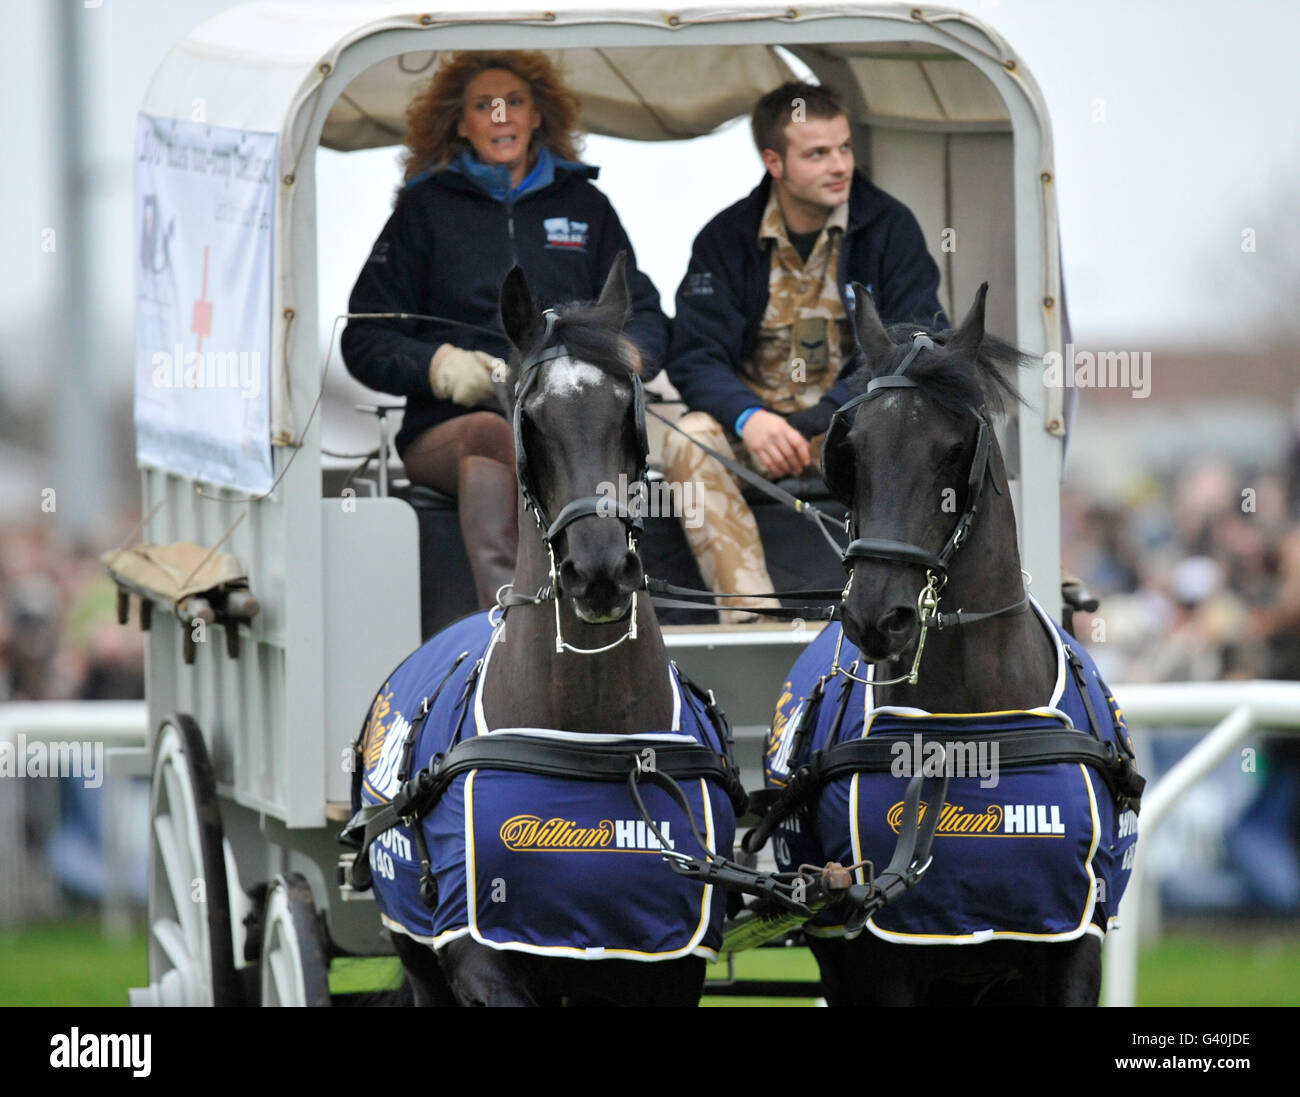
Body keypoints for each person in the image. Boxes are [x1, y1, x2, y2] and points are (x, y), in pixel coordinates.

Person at [341, 51, 668, 608]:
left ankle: (621, 602)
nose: (501, 117)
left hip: (573, 421)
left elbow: (647, 315)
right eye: (483, 106)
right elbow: (365, 339)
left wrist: (622, 356)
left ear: (538, 115)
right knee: (498, 436)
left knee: (604, 452)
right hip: (453, 431)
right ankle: (511, 610)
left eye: (514, 103)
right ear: (459, 122)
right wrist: (444, 370)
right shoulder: (424, 211)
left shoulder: (587, 206)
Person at [663, 82, 947, 622]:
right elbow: (694, 355)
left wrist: (826, 415)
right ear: (775, 162)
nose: (839, 165)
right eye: (817, 153)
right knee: (689, 438)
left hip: (860, 427)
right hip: (757, 438)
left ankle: (900, 614)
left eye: (843, 148)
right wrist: (750, 419)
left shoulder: (890, 228)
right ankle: (750, 619)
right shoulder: (725, 239)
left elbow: (920, 339)